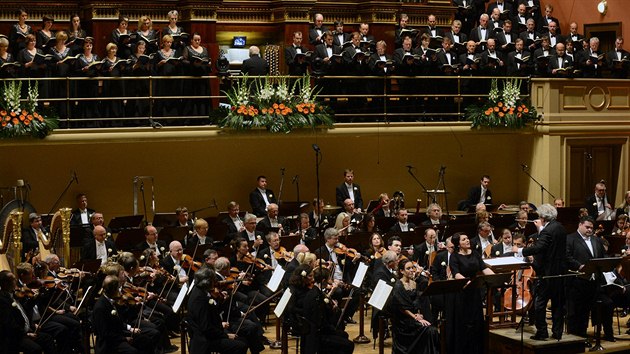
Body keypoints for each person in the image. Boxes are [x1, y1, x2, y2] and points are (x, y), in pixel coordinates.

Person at [515, 204, 567, 340]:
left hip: (547, 273)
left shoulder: (547, 230)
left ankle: (542, 332)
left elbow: (540, 247)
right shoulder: (561, 228)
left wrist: (520, 251)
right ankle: (557, 332)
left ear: (543, 217)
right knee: (557, 304)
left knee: (539, 303)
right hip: (559, 272)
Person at [565, 216, 615, 343]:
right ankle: (575, 339)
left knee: (588, 311)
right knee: (577, 312)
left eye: (591, 228)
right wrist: (579, 266)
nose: (589, 230)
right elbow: (567, 257)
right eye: (587, 227)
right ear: (580, 225)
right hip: (577, 281)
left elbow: (602, 256)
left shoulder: (596, 240)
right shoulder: (570, 239)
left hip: (594, 282)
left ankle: (586, 336)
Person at [445, 232, 495, 354]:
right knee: (464, 322)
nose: (467, 240)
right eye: (464, 239)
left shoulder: (475, 253)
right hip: (462, 292)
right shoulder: (455, 256)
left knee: (476, 321)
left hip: (474, 291)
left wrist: (496, 277)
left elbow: (484, 268)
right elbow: (456, 273)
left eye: (467, 238)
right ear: (458, 244)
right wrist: (466, 282)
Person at [92, 275, 160, 354]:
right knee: (132, 351)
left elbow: (118, 321)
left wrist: (130, 329)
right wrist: (124, 339)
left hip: (118, 334)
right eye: (118, 288)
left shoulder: (112, 300)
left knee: (145, 340)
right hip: (109, 343)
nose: (119, 291)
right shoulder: (100, 307)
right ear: (113, 290)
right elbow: (105, 334)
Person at [391, 258, 440, 354]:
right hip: (403, 322)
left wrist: (418, 314)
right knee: (430, 331)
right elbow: (402, 307)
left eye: (412, 268)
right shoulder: (398, 286)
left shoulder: (414, 283)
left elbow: (417, 302)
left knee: (432, 331)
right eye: (408, 268)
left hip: (413, 317)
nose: (411, 270)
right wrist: (416, 317)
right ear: (401, 271)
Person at [182, 32, 212, 117]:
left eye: (199, 40)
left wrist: (208, 63)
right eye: (195, 40)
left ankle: (204, 116)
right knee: (192, 98)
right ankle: (191, 118)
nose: (197, 41)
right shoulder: (187, 49)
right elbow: (184, 61)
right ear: (191, 40)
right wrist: (193, 64)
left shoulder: (205, 49)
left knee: (203, 97)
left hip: (203, 77)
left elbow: (207, 60)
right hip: (192, 78)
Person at [154, 34, 183, 118]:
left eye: (170, 42)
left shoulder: (175, 52)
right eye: (167, 42)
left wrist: (177, 63)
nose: (169, 44)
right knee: (162, 97)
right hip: (162, 79)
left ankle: (172, 118)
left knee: (172, 97)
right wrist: (160, 63)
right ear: (163, 43)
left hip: (172, 79)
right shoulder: (158, 53)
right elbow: (154, 67)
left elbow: (179, 66)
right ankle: (161, 117)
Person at [74, 37, 101, 123]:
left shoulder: (96, 57)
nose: (89, 47)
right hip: (83, 84)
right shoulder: (79, 58)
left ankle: (94, 122)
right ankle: (84, 122)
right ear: (83, 47)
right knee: (84, 103)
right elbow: (75, 71)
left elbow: (100, 69)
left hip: (93, 83)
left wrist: (98, 68)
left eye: (90, 46)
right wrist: (82, 70)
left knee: (94, 102)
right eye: (87, 46)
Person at [100, 42, 127, 120]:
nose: (114, 50)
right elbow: (101, 72)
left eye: (115, 49)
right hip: (108, 84)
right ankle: (109, 121)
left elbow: (123, 72)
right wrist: (108, 70)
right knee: (109, 102)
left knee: (117, 101)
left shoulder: (119, 60)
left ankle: (118, 120)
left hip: (118, 84)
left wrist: (122, 68)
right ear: (108, 50)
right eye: (112, 49)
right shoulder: (104, 61)